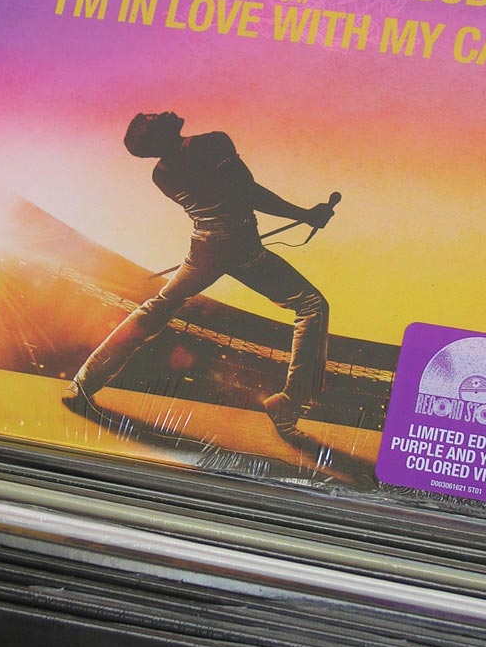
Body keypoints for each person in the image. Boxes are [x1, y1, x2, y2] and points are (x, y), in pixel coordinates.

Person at [63, 111, 335, 440]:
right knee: (312, 305)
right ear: (160, 135)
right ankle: (289, 402)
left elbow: (228, 197)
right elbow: (247, 193)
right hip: (241, 249)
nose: (162, 112)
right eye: (153, 118)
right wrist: (305, 214)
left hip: (204, 250)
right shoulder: (213, 143)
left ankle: (83, 383)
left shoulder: (161, 175)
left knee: (156, 309)